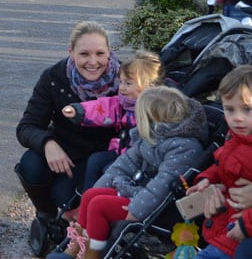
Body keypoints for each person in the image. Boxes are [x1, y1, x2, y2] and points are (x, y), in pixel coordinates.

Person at [49, 86, 207, 259]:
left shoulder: (184, 148)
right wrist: (105, 184)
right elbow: (123, 164)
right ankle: (76, 247)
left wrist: (137, 209)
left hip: (159, 206)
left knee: (99, 205)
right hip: (141, 193)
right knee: (90, 195)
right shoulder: (153, 136)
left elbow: (162, 185)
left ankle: (91, 255)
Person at [16, 21, 121, 255]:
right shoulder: (54, 77)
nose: (92, 62)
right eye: (84, 54)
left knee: (68, 200)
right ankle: (44, 212)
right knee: (30, 165)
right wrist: (47, 143)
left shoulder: (125, 80)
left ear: (110, 51)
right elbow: (27, 126)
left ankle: (70, 223)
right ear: (70, 52)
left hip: (99, 159)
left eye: (100, 53)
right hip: (64, 150)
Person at [186, 65, 252, 259]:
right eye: (229, 110)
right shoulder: (239, 137)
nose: (237, 118)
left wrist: (247, 224)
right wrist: (206, 179)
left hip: (243, 234)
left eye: (247, 109)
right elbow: (222, 163)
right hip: (225, 231)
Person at [61, 50, 163, 190]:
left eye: (128, 83)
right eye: (121, 82)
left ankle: (100, 199)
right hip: (122, 151)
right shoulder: (123, 103)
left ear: (148, 86)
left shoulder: (157, 109)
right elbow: (103, 108)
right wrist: (79, 111)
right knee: (95, 160)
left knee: (110, 170)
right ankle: (86, 197)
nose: (121, 88)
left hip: (141, 160)